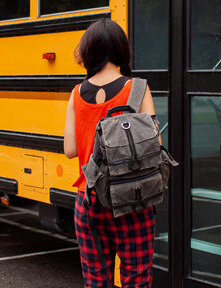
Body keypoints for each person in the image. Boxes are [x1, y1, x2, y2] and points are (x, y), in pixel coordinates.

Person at [63, 18, 157, 287]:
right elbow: (152, 145)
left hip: (89, 198)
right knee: (136, 279)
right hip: (132, 199)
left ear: (88, 51)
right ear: (121, 50)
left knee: (96, 280)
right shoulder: (136, 88)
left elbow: (70, 150)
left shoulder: (77, 92)